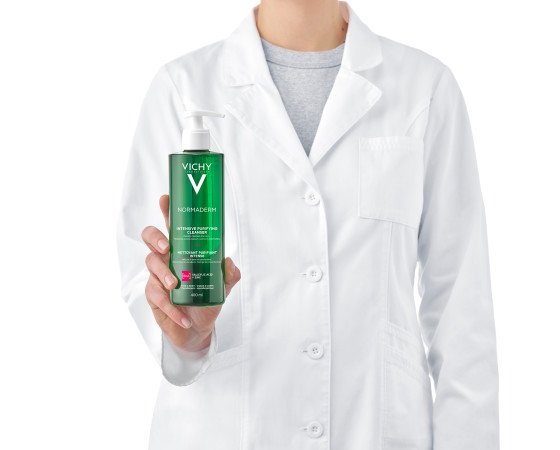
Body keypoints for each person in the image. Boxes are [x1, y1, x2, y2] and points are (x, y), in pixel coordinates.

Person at [116, 1, 500, 449]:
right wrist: (188, 333)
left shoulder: (424, 89)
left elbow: (462, 307)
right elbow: (147, 282)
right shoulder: (182, 89)